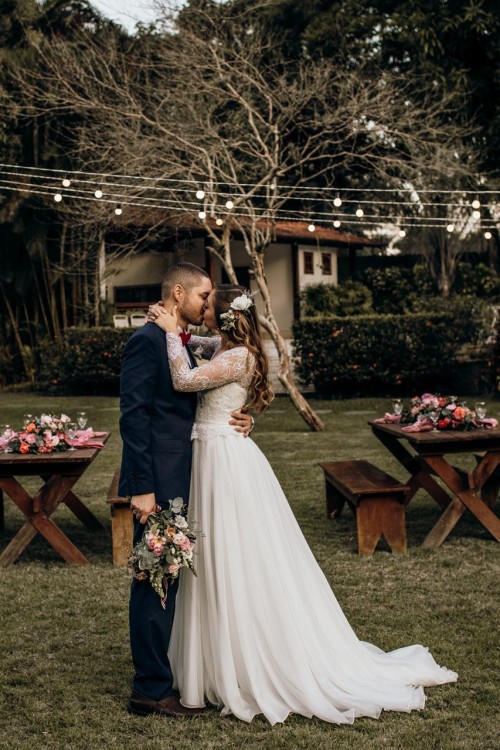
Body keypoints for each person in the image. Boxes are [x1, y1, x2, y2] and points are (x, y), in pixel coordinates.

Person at [147, 283, 458, 725]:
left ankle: (250, 660)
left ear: (224, 317)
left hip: (224, 460)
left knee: (235, 557)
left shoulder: (237, 356)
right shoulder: (221, 344)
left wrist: (164, 333)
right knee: (213, 559)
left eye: (209, 304)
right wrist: (173, 329)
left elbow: (182, 377)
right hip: (211, 455)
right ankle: (212, 660)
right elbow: (190, 342)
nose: (203, 309)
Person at [118, 263, 253, 718]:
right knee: (154, 577)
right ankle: (151, 690)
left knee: (168, 579)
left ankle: (164, 676)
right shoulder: (147, 341)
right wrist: (141, 488)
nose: (207, 305)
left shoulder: (182, 341)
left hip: (191, 476)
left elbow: (222, 382)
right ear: (179, 293)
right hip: (158, 484)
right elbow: (133, 418)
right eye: (203, 296)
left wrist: (245, 417)